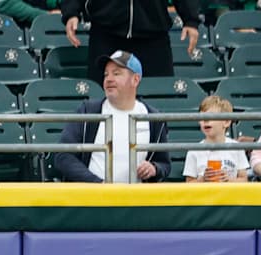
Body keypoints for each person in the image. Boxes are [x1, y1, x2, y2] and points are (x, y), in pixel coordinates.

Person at [55, 50, 173, 183]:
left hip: (135, 199)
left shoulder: (153, 118)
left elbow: (164, 164)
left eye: (116, 73)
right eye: (106, 74)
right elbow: (63, 155)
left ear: (135, 80)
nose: (109, 79)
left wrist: (154, 168)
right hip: (92, 198)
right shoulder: (88, 111)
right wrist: (98, 184)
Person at [61, 0, 201, 79]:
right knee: (102, 101)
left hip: (153, 35)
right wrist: (71, 12)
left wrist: (191, 19)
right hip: (105, 33)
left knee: (159, 99)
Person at [184, 95, 251, 182]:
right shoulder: (194, 151)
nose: (205, 120)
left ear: (226, 122)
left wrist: (229, 180)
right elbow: (188, 183)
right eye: (201, 117)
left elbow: (244, 179)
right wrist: (202, 180)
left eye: (210, 117)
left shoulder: (236, 148)